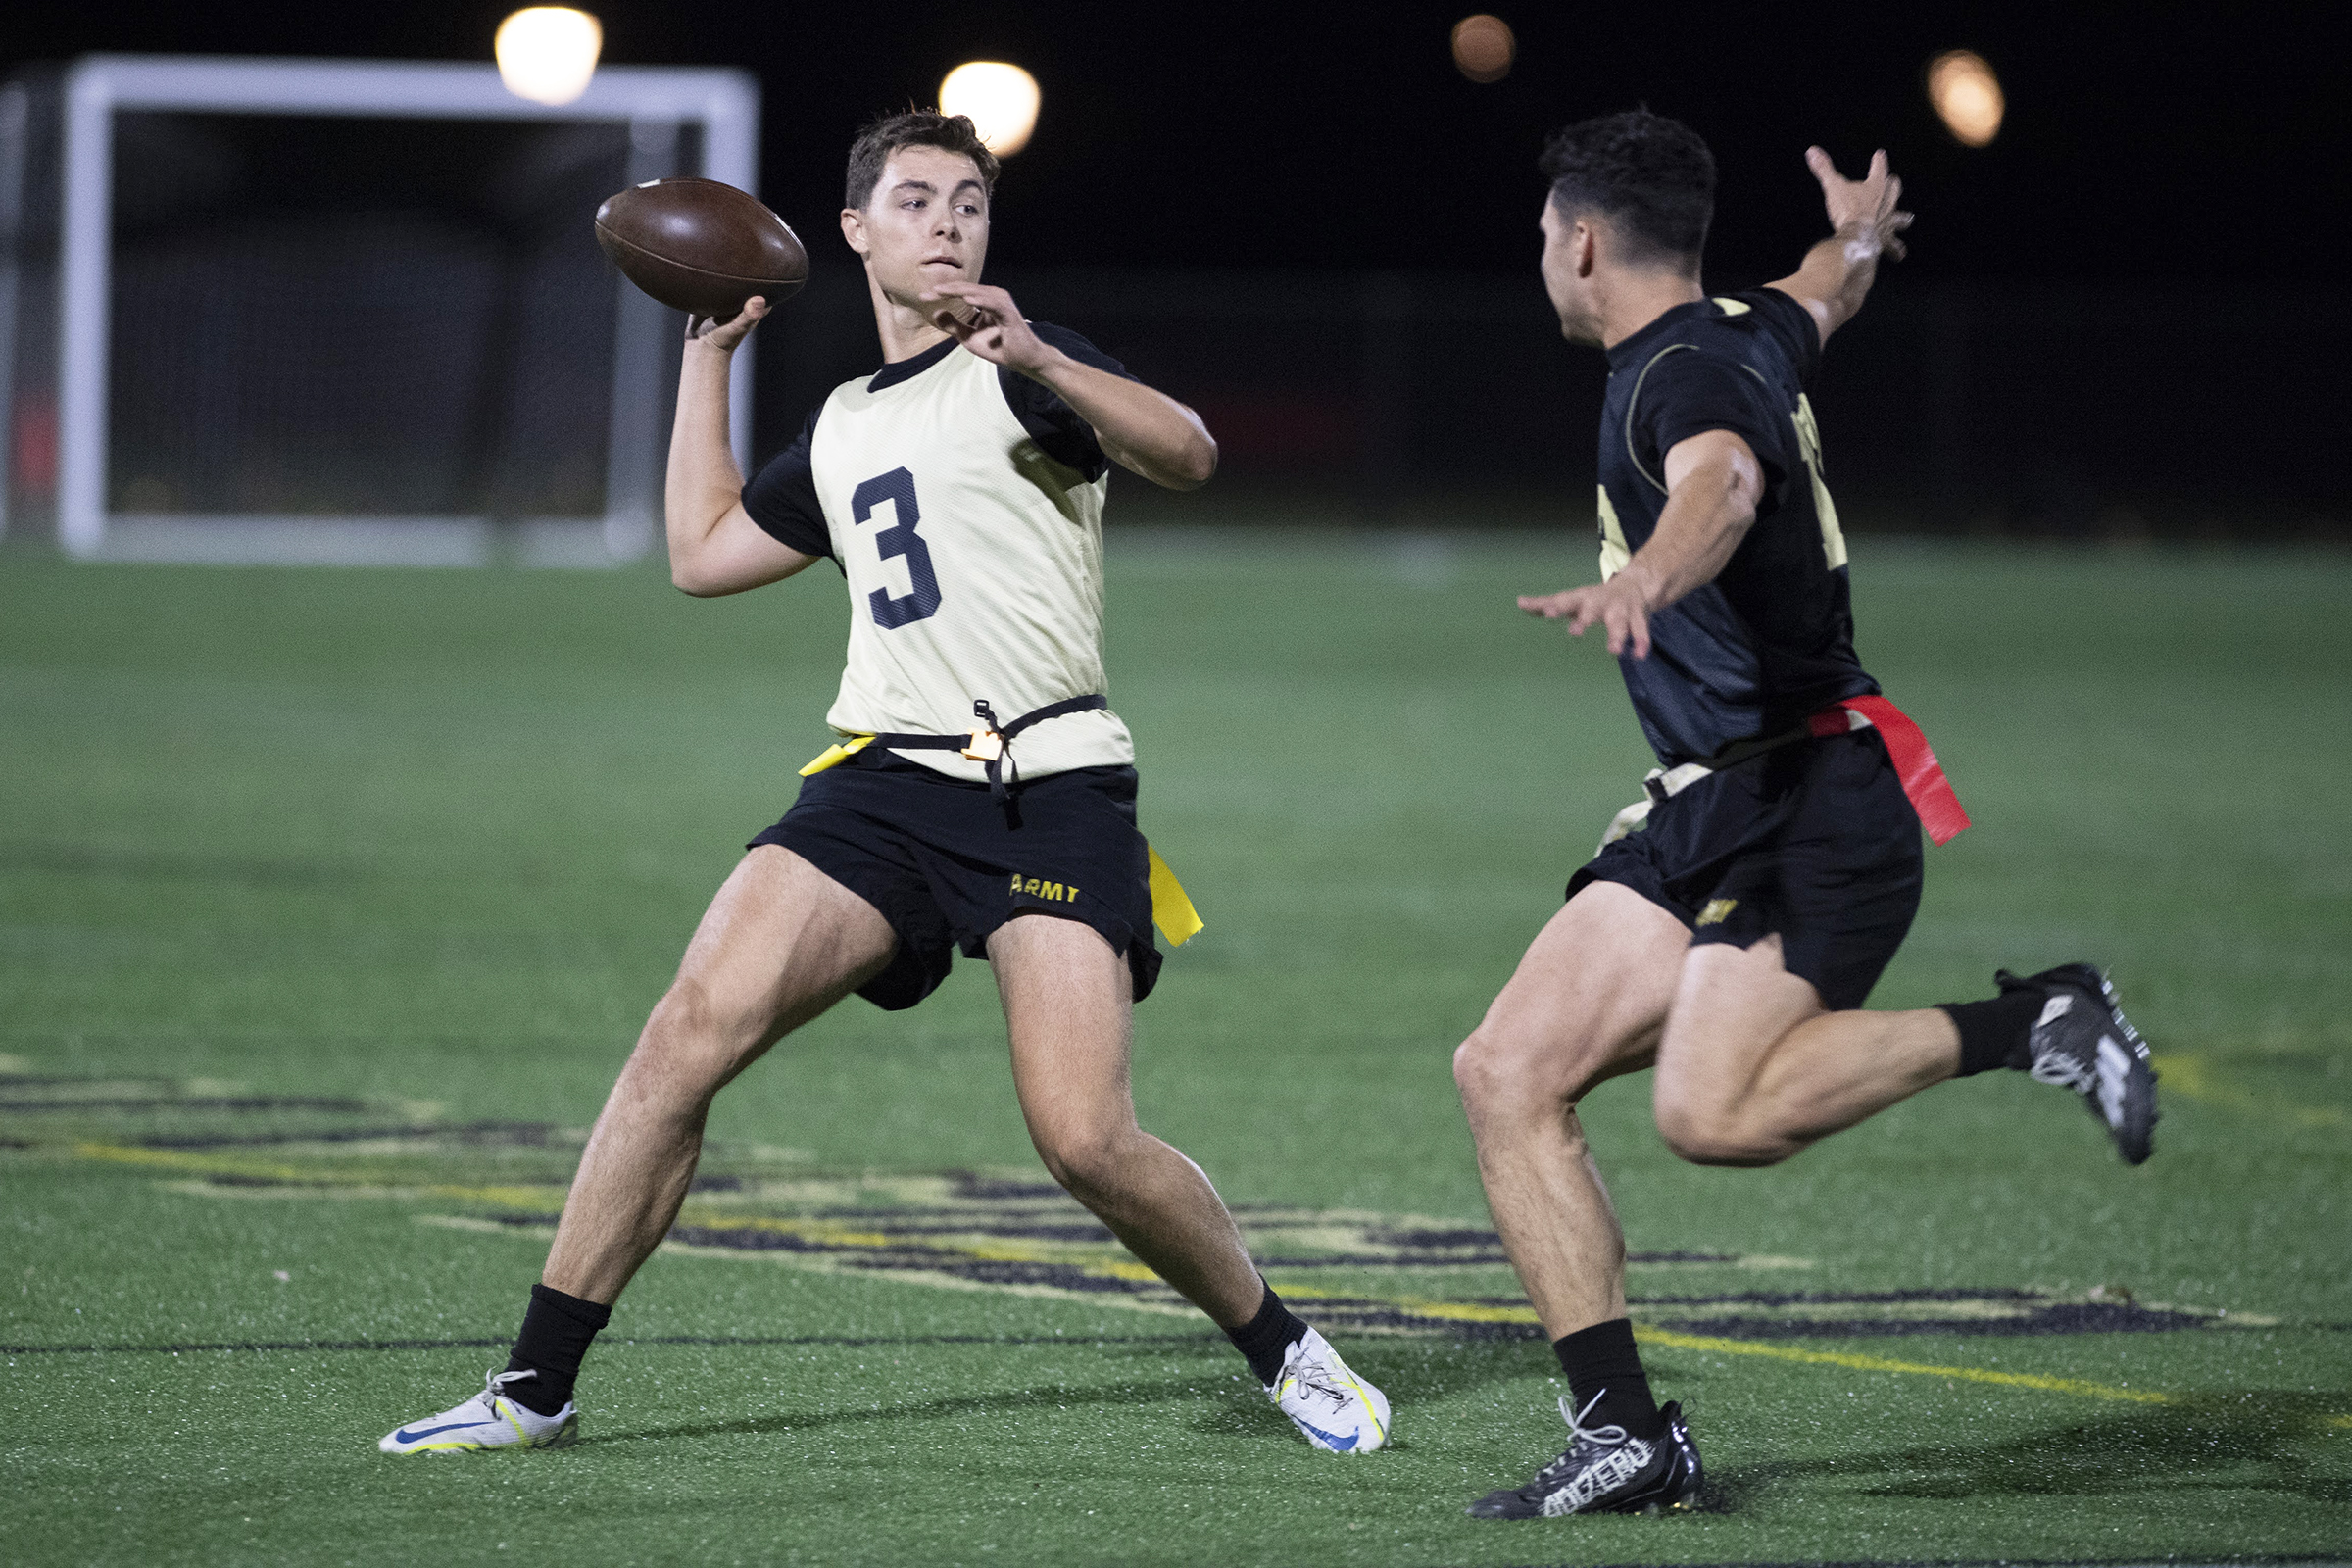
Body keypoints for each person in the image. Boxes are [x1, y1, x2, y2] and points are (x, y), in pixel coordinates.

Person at [379, 110, 1389, 1457]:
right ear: (854, 232)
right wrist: (708, 365)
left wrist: (1043, 357)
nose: (949, 223)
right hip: (878, 786)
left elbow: (1190, 452)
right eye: (916, 201)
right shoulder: (849, 421)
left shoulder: (1026, 370)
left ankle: (1286, 1349)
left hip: (1049, 781)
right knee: (684, 1037)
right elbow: (703, 553)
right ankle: (534, 1390)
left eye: (969, 202)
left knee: (1083, 1137)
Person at [1451, 110, 2157, 1519]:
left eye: (1546, 237)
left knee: (1713, 1116)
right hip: (1717, 795)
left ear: (1583, 243)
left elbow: (1724, 482)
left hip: (1815, 796)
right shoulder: (1741, 326)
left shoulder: (1680, 378)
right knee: (1506, 1071)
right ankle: (1624, 1437)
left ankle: (2039, 1022)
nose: (1543, 257)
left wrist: (1648, 574)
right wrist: (1855, 238)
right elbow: (1821, 295)